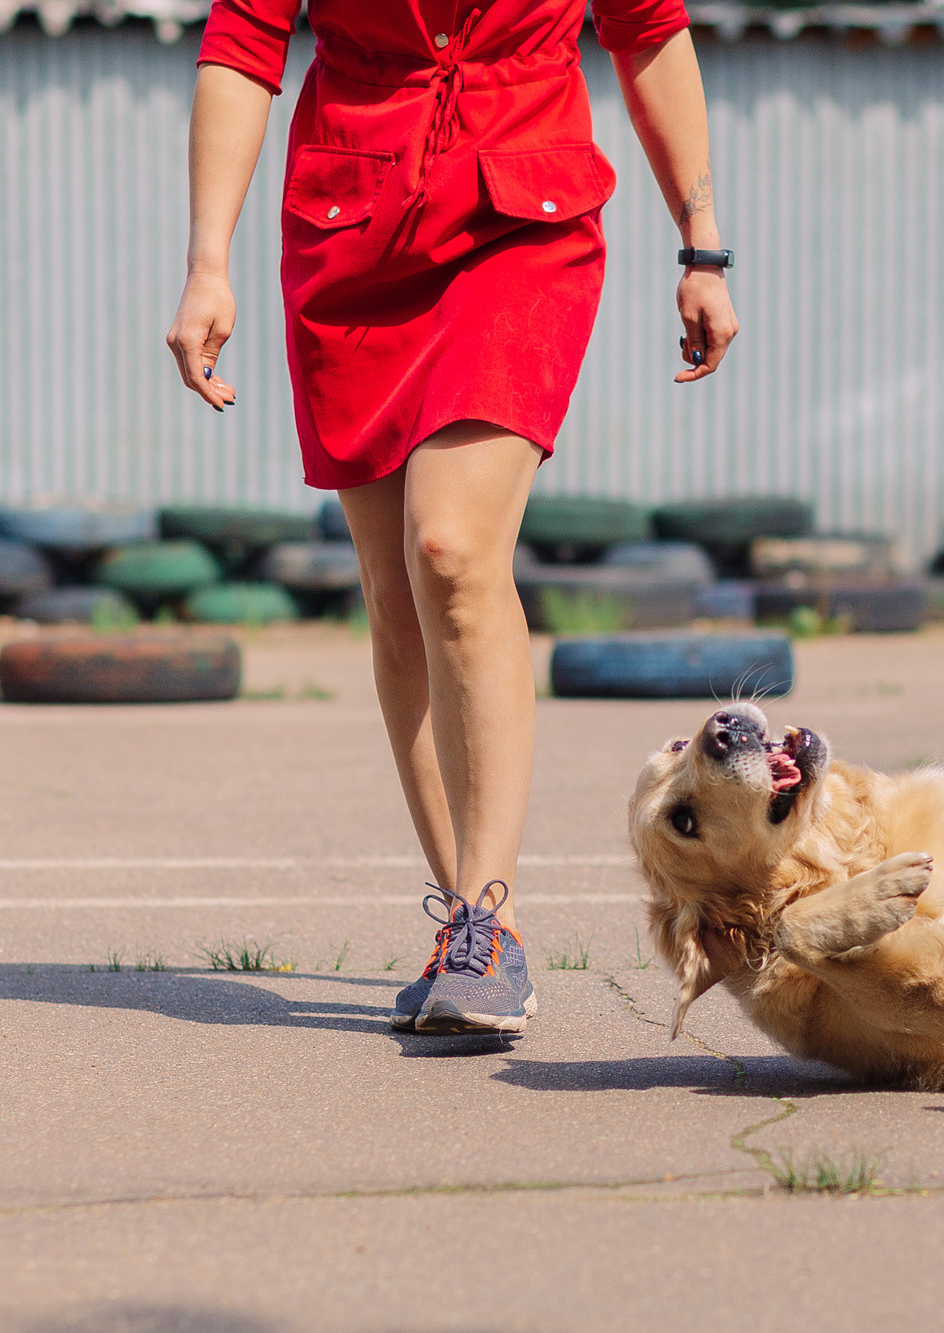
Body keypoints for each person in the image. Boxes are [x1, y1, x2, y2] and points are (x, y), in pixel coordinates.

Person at [167, 0, 737, 1035]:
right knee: (394, 593)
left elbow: (647, 30)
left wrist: (702, 246)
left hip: (522, 218)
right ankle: (460, 927)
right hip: (350, 232)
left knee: (451, 545)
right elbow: (242, 45)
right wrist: (208, 262)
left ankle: (490, 917)